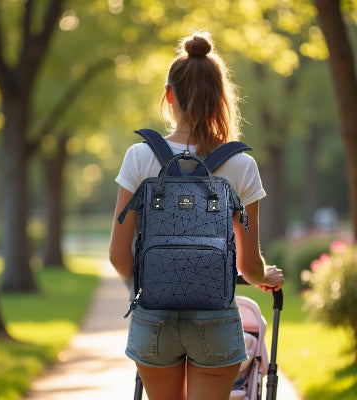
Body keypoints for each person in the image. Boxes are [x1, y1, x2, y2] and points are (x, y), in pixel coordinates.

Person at [109, 32, 284, 400]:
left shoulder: (139, 158)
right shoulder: (240, 165)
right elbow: (249, 264)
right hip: (215, 319)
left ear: (169, 95)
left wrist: (152, 283)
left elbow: (118, 255)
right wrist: (264, 276)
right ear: (221, 97)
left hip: (153, 317)